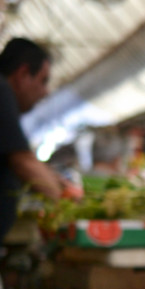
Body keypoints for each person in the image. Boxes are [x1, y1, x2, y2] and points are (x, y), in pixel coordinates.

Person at [0, 38, 66, 242]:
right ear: (22, 74)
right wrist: (69, 207)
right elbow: (23, 162)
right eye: (43, 80)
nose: (45, 92)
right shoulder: (2, 92)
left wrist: (55, 179)